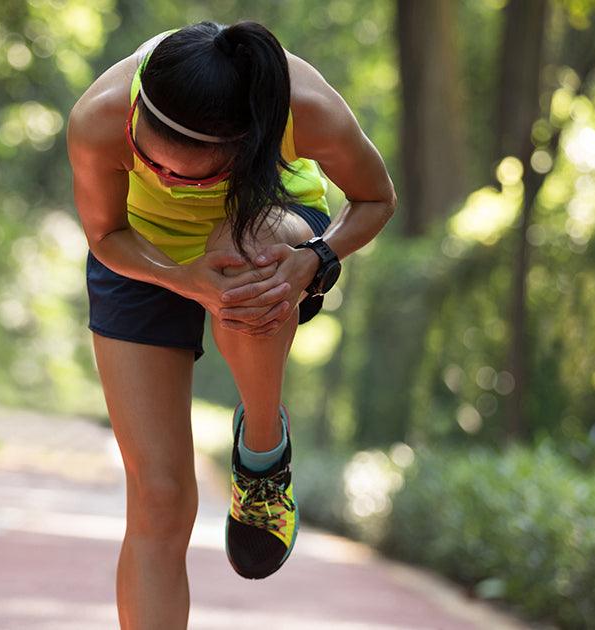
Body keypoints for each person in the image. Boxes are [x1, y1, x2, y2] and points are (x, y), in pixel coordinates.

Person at [66, 20, 396, 628]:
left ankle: (262, 451)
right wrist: (184, 276)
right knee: (160, 499)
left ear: (251, 145)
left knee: (251, 259)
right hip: (138, 248)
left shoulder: (307, 106)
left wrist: (315, 259)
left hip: (271, 231)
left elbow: (375, 198)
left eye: (190, 175)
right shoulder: (100, 116)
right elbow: (105, 233)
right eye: (148, 161)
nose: (165, 179)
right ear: (135, 113)